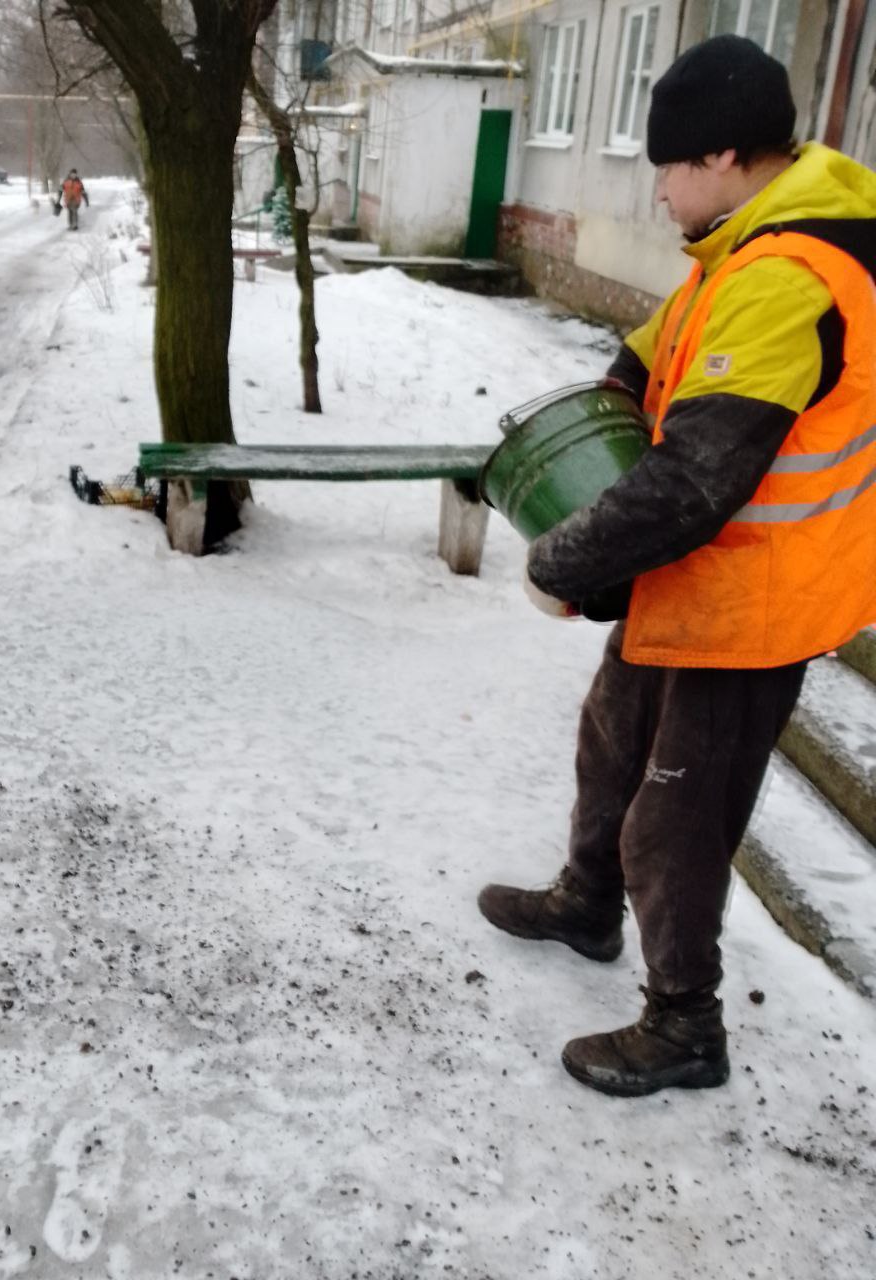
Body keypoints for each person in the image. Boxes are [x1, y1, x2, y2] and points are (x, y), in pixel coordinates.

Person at [478, 35, 876, 1097]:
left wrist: (560, 559)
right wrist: (616, 382)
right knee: (610, 741)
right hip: (694, 579)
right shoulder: (740, 250)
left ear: (726, 156)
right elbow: (656, 346)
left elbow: (694, 482)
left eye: (669, 165)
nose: (655, 186)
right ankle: (583, 902)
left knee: (677, 816)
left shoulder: (788, 276)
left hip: (754, 598)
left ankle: (684, 1024)